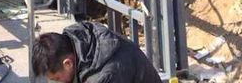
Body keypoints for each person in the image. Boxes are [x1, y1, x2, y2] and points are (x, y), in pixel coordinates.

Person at [32, 21, 162, 83]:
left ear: (68, 64)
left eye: (57, 79)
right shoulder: (78, 39)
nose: (56, 82)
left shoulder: (103, 77)